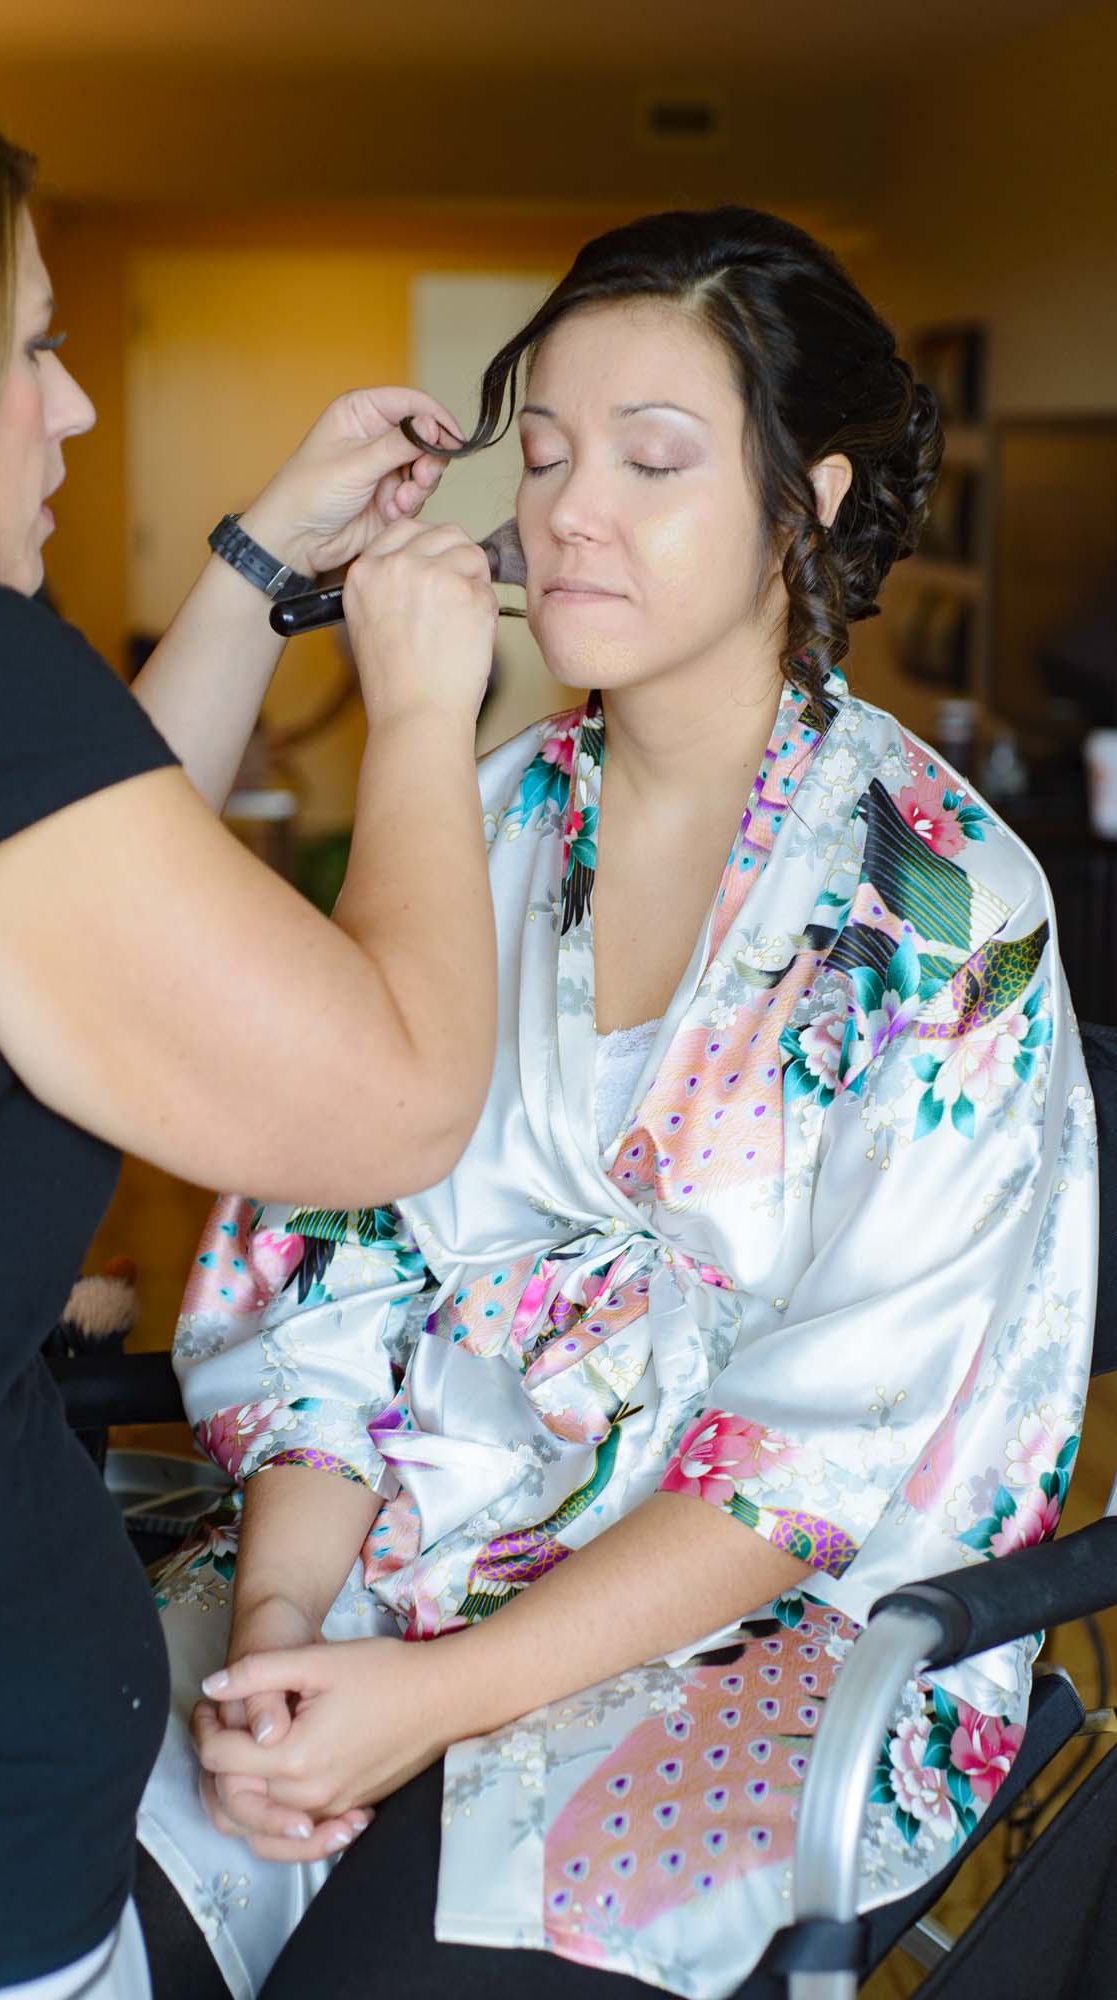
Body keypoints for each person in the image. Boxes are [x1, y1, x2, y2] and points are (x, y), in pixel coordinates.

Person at [137, 207, 1098, 2000]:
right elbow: (328, 1257)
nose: (573, 507)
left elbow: (820, 1465)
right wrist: (280, 1629)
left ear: (803, 507)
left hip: (757, 1633)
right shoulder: (484, 819)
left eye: (654, 460)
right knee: (98, 1893)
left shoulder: (937, 909)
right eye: (552, 452)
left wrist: (428, 1702)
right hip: (383, 1542)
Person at [0, 41, 502, 2000]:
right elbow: (389, 1102)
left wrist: (260, 565)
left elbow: (69, 888)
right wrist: (424, 709)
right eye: (27, 347)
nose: (72, 400)